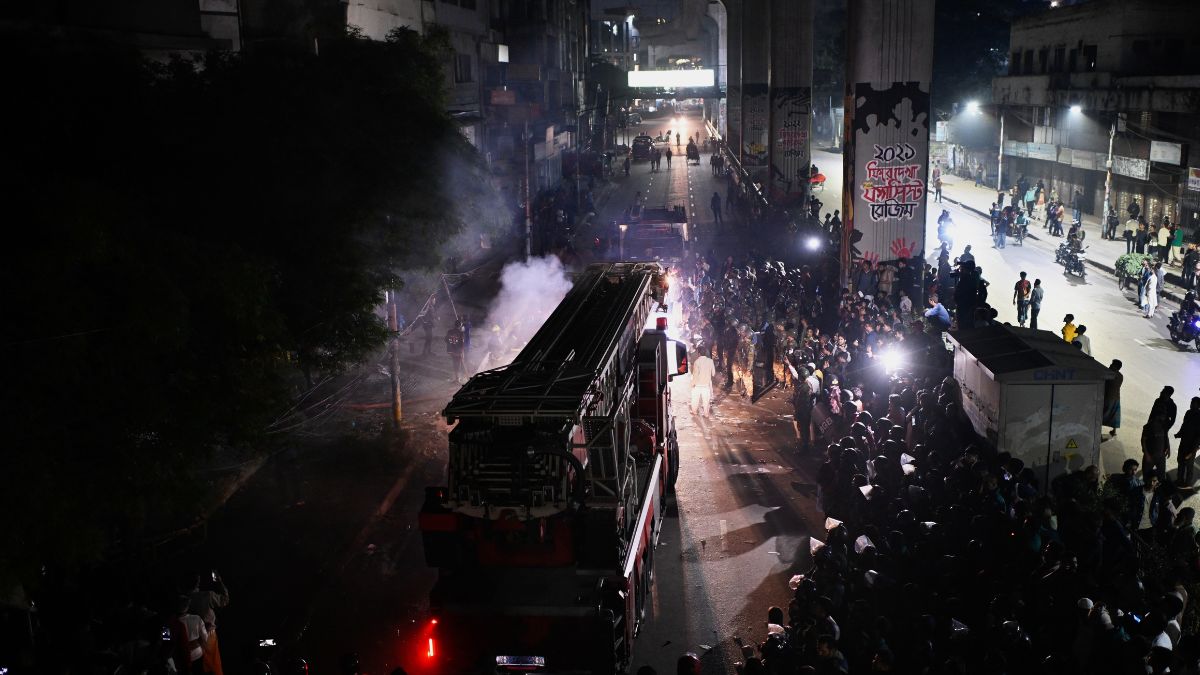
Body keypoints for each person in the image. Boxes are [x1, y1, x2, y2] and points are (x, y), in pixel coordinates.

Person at [171, 595, 208, 675]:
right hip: (197, 652)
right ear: (187, 607)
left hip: (180, 655)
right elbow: (205, 636)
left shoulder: (169, 623)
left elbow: (166, 639)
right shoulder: (196, 618)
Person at [1177, 397, 1200, 486]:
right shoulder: (1188, 412)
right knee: (1180, 461)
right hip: (1184, 442)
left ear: (1198, 405)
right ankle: (1179, 480)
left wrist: (1194, 449)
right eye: (1191, 402)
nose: (1191, 404)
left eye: (1193, 403)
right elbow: (1184, 425)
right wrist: (1179, 433)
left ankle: (1187, 482)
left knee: (1189, 464)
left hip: (1192, 446)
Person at [689, 348, 716, 418]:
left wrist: (692, 384)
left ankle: (694, 411)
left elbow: (695, 375)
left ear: (699, 353)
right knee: (706, 401)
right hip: (706, 385)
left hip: (697, 385)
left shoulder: (697, 362)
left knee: (695, 399)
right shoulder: (710, 361)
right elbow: (713, 373)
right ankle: (706, 414)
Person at [1103, 360, 1123, 437]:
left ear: (1116, 367)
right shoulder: (1120, 376)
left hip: (1108, 398)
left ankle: (1097, 427)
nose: (1110, 365)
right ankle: (1114, 430)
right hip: (1116, 398)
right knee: (1114, 415)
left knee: (1103, 413)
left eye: (1112, 364)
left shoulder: (1110, 374)